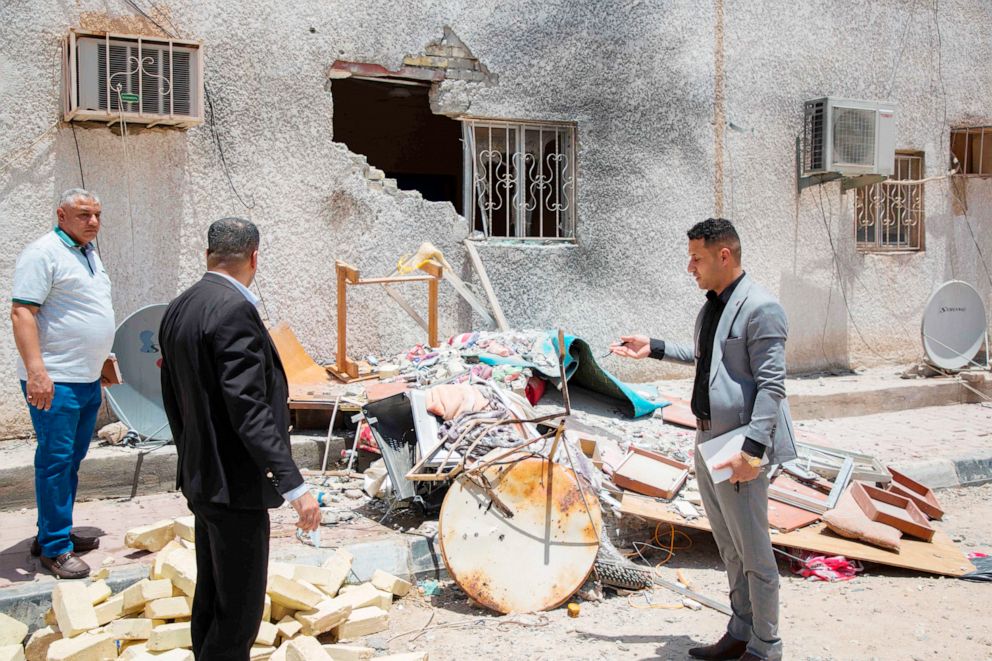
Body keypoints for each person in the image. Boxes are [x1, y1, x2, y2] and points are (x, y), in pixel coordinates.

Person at [611, 218, 796, 661]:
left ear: (723, 256)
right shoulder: (713, 305)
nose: (690, 266)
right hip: (708, 438)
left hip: (740, 447)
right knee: (729, 546)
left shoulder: (761, 307)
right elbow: (705, 359)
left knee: (754, 551)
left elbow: (773, 386)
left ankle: (767, 647)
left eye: (696, 258)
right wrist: (653, 347)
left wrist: (752, 452)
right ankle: (741, 630)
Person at [159, 217, 320, 660]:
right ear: (254, 257)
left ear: (207, 254)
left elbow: (173, 397)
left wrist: (191, 457)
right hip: (235, 488)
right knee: (239, 614)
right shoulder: (233, 311)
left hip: (204, 479)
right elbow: (248, 409)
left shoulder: (181, 305)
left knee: (212, 599)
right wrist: (295, 486)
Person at [10, 188, 115, 579]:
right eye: (84, 214)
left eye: (97, 215)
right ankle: (54, 549)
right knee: (55, 462)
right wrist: (36, 371)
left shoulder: (88, 254)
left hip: (86, 380)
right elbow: (22, 312)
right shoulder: (43, 253)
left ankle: (53, 532)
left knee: (71, 461)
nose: (93, 222)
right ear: (61, 215)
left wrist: (102, 359)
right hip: (55, 382)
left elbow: (87, 313)